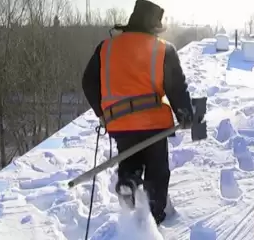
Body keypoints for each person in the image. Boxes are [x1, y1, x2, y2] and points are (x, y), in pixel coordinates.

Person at [82, 0, 193, 225]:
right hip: (154, 124)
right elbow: (176, 87)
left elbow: (88, 83)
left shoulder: (106, 48)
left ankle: (128, 181)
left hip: (119, 122)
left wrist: (101, 114)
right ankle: (153, 220)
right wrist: (185, 113)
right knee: (157, 171)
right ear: (154, 27)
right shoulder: (163, 48)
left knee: (130, 158)